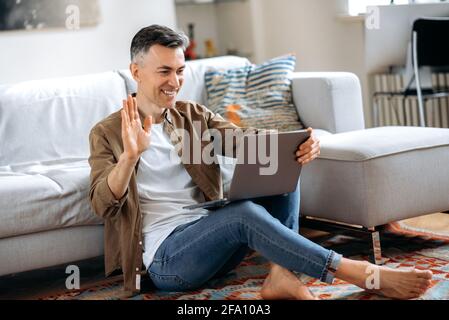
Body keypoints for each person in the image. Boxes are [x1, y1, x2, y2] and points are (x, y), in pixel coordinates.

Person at [88, 25, 432, 299]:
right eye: (164, 71)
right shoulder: (107, 132)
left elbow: (245, 140)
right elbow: (103, 203)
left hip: (212, 240)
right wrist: (131, 157)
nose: (175, 82)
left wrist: (297, 145)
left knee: (281, 168)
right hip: (169, 262)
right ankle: (360, 273)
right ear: (136, 70)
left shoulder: (190, 116)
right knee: (243, 216)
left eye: (180, 71)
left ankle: (282, 276)